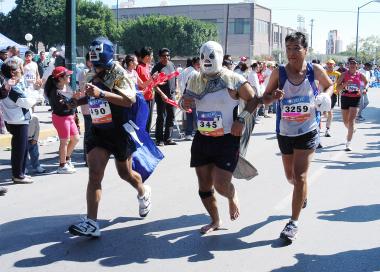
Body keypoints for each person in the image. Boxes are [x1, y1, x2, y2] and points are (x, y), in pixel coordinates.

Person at [68, 37, 151, 238]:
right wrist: (76, 103)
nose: (95, 68)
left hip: (119, 132)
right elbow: (91, 95)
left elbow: (129, 100)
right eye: (92, 64)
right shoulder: (91, 72)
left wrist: (102, 93)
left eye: (98, 65)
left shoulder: (118, 73)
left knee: (125, 174)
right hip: (98, 131)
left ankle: (143, 191)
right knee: (95, 174)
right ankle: (91, 223)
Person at [181, 41, 262, 234]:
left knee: (221, 184)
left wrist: (241, 119)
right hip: (203, 138)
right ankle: (215, 220)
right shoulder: (194, 79)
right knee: (204, 186)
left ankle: (232, 195)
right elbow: (185, 101)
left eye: (211, 56)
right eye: (203, 57)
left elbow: (253, 100)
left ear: (219, 56)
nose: (206, 61)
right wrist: (184, 103)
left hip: (227, 138)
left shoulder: (233, 79)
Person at [262, 32, 333, 241]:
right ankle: (301, 193)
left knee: (300, 175)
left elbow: (329, 85)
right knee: (291, 177)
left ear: (306, 50)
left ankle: (293, 223)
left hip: (308, 129)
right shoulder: (279, 73)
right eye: (289, 48)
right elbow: (264, 99)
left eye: (296, 48)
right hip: (285, 131)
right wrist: (272, 96)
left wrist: (325, 96)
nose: (292, 53)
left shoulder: (314, 70)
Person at [0, 61, 37, 184]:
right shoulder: (12, 87)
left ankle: (20, 173)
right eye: (20, 69)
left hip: (15, 119)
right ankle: (18, 175)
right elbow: (26, 102)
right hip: (17, 121)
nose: (22, 71)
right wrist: (36, 96)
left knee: (22, 148)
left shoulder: (9, 84)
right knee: (19, 150)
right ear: (13, 72)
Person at [44, 66, 80, 173]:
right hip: (61, 118)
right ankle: (62, 165)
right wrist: (75, 98)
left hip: (69, 117)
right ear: (60, 78)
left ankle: (67, 159)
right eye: (67, 75)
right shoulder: (55, 92)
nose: (69, 76)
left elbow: (71, 104)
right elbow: (64, 107)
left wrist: (75, 111)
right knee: (64, 141)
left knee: (76, 138)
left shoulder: (66, 86)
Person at [336, 57, 368, 151]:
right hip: (345, 98)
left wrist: (365, 88)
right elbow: (337, 88)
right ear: (348, 65)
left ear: (357, 65)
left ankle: (348, 143)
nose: (353, 65)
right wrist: (345, 84)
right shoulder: (343, 74)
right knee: (345, 121)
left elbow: (366, 82)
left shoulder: (360, 75)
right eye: (351, 63)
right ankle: (352, 129)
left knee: (351, 121)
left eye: (354, 64)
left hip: (356, 98)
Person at [151, 48, 178, 146]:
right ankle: (159, 139)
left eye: (167, 55)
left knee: (171, 116)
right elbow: (153, 84)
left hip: (171, 95)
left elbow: (175, 76)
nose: (166, 57)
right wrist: (162, 94)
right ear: (160, 57)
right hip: (161, 96)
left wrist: (176, 89)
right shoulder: (156, 68)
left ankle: (168, 138)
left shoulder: (171, 65)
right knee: (161, 117)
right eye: (163, 56)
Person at [178, 56, 200, 140]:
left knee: (189, 116)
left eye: (200, 63)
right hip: (192, 97)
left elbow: (180, 81)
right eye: (197, 63)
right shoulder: (195, 73)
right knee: (196, 116)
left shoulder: (185, 70)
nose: (199, 65)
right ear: (194, 63)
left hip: (185, 95)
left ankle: (188, 134)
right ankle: (199, 135)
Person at [136, 46, 154, 132]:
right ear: (147, 56)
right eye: (152, 55)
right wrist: (152, 78)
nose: (152, 57)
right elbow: (140, 84)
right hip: (143, 98)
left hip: (150, 97)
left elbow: (149, 82)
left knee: (148, 122)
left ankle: (146, 140)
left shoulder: (147, 66)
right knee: (143, 122)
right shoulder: (139, 67)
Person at [324, 59, 341, 137]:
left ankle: (328, 129)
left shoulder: (337, 74)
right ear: (326, 65)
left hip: (333, 94)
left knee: (330, 111)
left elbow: (341, 83)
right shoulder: (323, 73)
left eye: (331, 64)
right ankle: (328, 120)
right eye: (328, 64)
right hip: (324, 94)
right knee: (324, 112)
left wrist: (338, 90)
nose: (330, 65)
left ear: (334, 65)